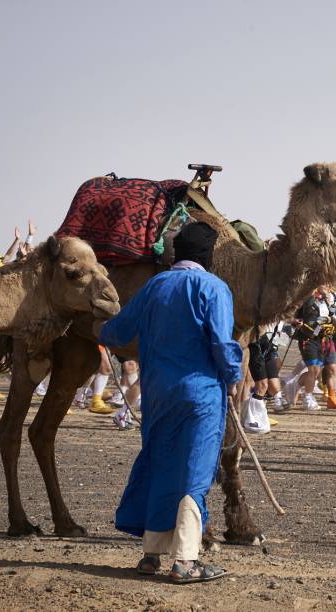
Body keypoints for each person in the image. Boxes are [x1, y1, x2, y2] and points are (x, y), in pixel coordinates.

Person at [98, 222, 243, 583]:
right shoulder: (213, 287)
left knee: (161, 462)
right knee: (195, 469)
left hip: (158, 394)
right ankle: (186, 561)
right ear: (209, 256)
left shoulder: (154, 286)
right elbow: (223, 344)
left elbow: (116, 331)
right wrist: (235, 377)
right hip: (200, 394)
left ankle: (151, 554)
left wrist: (96, 325)